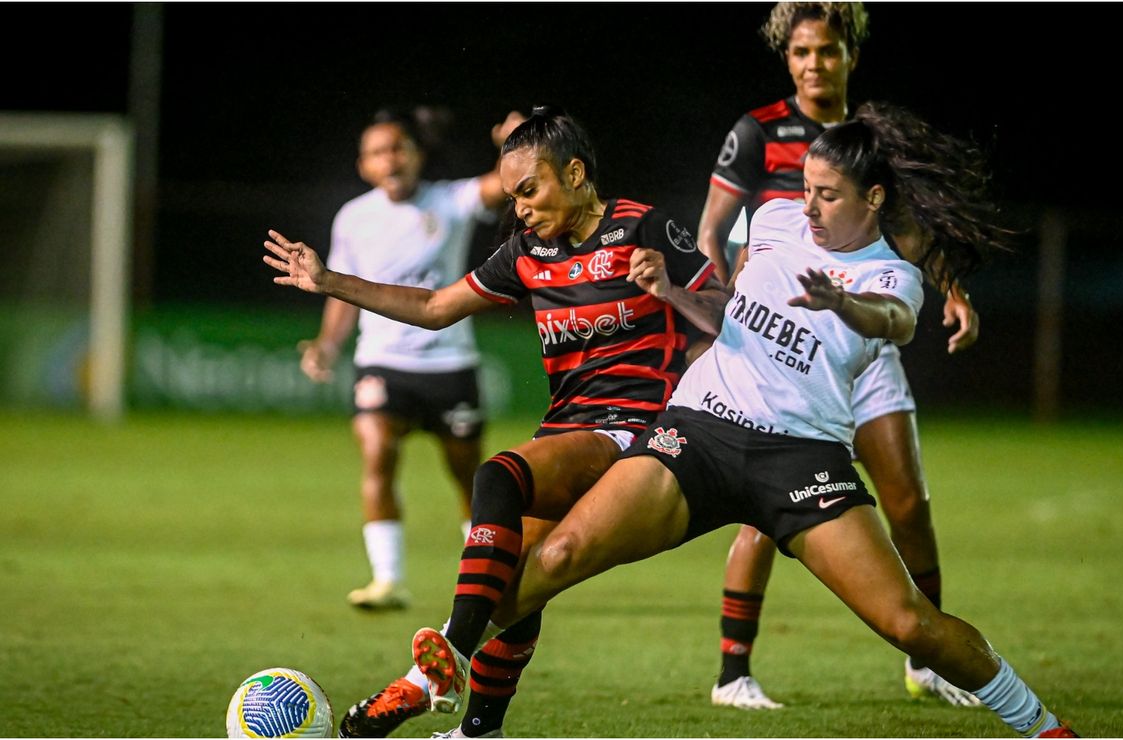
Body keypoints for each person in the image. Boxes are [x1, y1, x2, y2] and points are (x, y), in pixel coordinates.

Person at [407, 102, 1077, 739]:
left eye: (829, 194)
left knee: (909, 625)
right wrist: (670, 291)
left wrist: (842, 304)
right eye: (807, 187)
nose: (808, 204)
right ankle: (436, 673)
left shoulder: (891, 276)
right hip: (698, 433)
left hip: (801, 457)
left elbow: (893, 322)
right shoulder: (777, 218)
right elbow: (726, 310)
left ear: (873, 199)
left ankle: (1044, 726)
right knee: (555, 554)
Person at [264, 106, 725, 738]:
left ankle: (439, 666)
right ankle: (478, 729)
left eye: (530, 190)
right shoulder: (528, 253)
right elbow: (432, 307)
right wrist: (328, 282)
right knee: (513, 586)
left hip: (638, 428)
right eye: (511, 197)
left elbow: (728, 312)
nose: (521, 208)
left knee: (498, 475)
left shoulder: (641, 225)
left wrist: (673, 290)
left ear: (577, 173)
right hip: (570, 425)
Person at [696, 1, 982, 709]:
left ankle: (927, 660)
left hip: (859, 339)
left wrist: (951, 291)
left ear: (850, 53)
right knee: (763, 514)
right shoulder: (758, 132)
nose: (813, 65)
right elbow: (712, 233)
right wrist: (726, 311)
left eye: (826, 51)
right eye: (800, 53)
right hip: (778, 348)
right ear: (786, 59)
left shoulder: (873, 138)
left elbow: (910, 232)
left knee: (909, 503)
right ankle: (734, 673)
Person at [299, 107, 523, 610]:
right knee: (377, 452)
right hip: (382, 361)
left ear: (418, 154)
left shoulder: (450, 200)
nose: (390, 158)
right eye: (378, 152)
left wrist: (514, 142)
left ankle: (486, 581)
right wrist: (327, 346)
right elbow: (342, 291)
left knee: (469, 476)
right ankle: (387, 579)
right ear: (364, 166)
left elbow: (506, 183)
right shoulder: (354, 217)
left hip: (449, 364)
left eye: (398, 147)